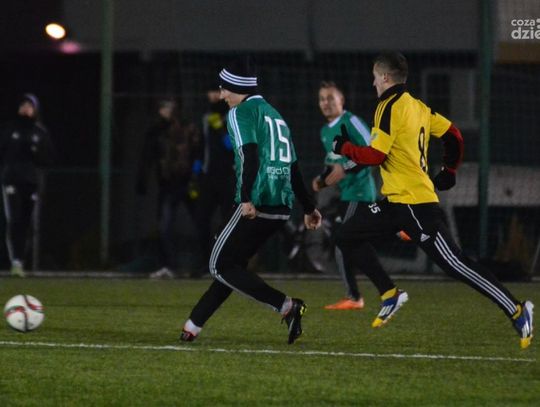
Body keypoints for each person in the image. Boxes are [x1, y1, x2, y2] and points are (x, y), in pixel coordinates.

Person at [331, 52, 534, 348]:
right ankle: (390, 294)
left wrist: (345, 148)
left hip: (415, 205)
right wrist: (449, 170)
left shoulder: (388, 105)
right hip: (395, 204)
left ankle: (517, 309)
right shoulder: (419, 107)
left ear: (385, 77)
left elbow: (375, 156)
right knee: (345, 235)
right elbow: (454, 135)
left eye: (375, 77)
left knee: (456, 264)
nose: (373, 83)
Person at [180, 57, 322, 344]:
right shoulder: (274, 113)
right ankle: (193, 325)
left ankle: (287, 306)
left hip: (256, 202)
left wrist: (245, 198)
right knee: (232, 266)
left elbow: (249, 156)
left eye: (224, 88)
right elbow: (293, 165)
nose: (221, 95)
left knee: (218, 264)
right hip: (281, 206)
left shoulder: (240, 112)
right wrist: (308, 207)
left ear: (238, 88)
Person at [311, 81, 377, 310]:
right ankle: (367, 294)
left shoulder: (351, 122)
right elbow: (334, 164)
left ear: (342, 100)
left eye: (330, 98)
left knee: (343, 240)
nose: (325, 103)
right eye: (322, 99)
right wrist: (321, 179)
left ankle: (356, 297)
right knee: (350, 242)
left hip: (360, 190)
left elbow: (372, 152)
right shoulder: (324, 131)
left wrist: (346, 169)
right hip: (346, 193)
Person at [137, 98, 201, 279]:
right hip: (169, 185)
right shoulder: (157, 131)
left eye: (167, 109)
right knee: (165, 226)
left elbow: (197, 152)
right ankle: (169, 265)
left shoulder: (186, 128)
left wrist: (196, 176)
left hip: (186, 183)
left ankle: (208, 263)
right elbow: (149, 155)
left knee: (201, 222)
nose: (163, 112)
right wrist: (143, 179)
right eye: (162, 109)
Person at [0, 93, 55, 277]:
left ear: (35, 110)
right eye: (23, 105)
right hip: (12, 180)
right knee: (14, 219)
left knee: (26, 223)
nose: (25, 108)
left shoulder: (40, 132)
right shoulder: (9, 129)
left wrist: (35, 152)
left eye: (29, 105)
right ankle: (15, 261)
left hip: (31, 182)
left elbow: (48, 158)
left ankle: (20, 260)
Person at [191, 87, 235, 277]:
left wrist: (220, 129)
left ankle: (226, 263)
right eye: (210, 92)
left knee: (227, 222)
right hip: (208, 178)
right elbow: (201, 147)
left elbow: (231, 146)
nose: (213, 96)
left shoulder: (232, 115)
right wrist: (195, 173)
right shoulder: (206, 116)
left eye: (217, 92)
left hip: (228, 177)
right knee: (201, 219)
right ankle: (205, 263)